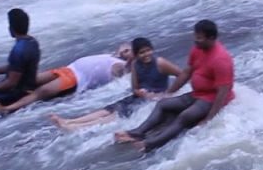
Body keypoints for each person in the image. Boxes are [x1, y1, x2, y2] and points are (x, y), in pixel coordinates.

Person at [115, 20, 234, 152]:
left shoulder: (221, 60)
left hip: (210, 98)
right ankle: (137, 132)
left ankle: (149, 144)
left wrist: (208, 119)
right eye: (195, 36)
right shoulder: (198, 49)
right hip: (197, 94)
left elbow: (223, 93)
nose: (195, 40)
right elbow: (186, 73)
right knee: (163, 104)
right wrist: (169, 93)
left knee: (185, 116)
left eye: (199, 38)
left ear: (211, 38)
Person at [50, 37, 183, 131]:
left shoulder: (160, 63)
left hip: (151, 100)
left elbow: (181, 74)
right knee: (107, 110)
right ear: (136, 55)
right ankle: (69, 121)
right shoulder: (136, 65)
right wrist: (140, 92)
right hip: (139, 97)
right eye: (142, 52)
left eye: (148, 50)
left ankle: (74, 127)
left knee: (115, 116)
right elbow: (134, 88)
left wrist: (168, 93)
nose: (146, 54)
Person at [0, 45, 132, 116]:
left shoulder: (120, 66)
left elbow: (121, 74)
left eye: (129, 51)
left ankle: (7, 109)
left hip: (75, 79)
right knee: (30, 78)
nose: (125, 51)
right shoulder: (113, 55)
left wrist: (131, 62)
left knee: (39, 92)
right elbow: (122, 48)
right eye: (125, 49)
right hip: (68, 69)